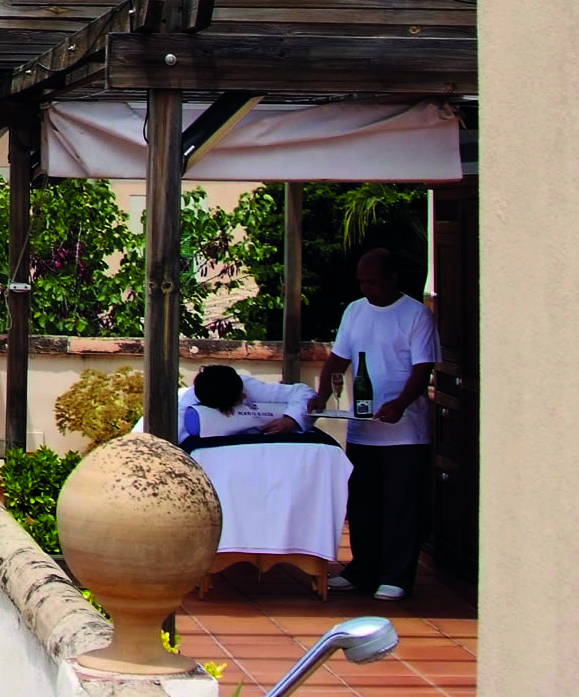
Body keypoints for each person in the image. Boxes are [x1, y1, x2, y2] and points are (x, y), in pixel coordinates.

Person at [315, 247, 441, 600]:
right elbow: (338, 359)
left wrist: (400, 404)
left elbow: (423, 368)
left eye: (371, 281)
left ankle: (396, 576)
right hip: (363, 428)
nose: (365, 287)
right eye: (361, 281)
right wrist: (322, 394)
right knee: (363, 505)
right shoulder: (355, 312)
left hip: (405, 434)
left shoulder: (416, 315)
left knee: (401, 506)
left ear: (392, 279)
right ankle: (362, 569)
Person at [179, 364, 314, 443]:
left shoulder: (245, 385)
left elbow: (305, 392)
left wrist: (291, 420)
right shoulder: (182, 412)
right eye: (238, 398)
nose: (244, 396)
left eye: (241, 392)